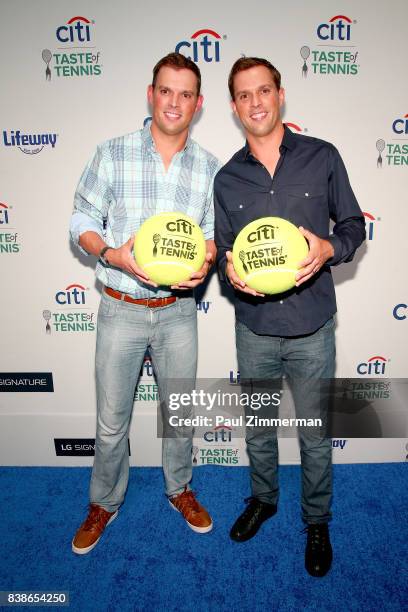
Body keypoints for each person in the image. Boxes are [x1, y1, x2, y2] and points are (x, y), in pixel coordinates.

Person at [214, 57, 365, 577]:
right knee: (258, 426)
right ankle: (264, 499)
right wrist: (229, 271)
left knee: (315, 431)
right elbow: (224, 250)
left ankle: (317, 520)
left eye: (264, 91)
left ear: (280, 95)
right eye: (244, 95)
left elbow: (353, 225)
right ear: (234, 106)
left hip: (313, 327)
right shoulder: (226, 178)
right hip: (254, 327)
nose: (255, 103)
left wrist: (328, 247)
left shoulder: (322, 157)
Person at [70, 52, 221, 554]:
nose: (173, 102)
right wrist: (111, 253)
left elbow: (214, 238)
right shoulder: (111, 153)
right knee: (112, 420)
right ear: (150, 93)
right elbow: (81, 222)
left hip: (178, 312)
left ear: (197, 104)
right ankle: (103, 502)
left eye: (185, 94)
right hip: (121, 305)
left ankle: (179, 489)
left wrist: (207, 260)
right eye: (165, 90)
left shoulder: (209, 167)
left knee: (179, 414)